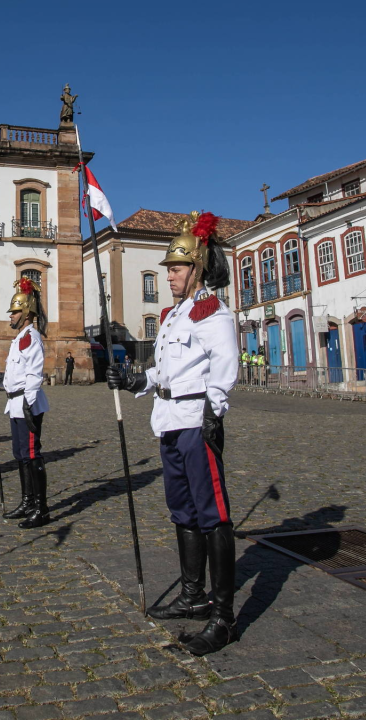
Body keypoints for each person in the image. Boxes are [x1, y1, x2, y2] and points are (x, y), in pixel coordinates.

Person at [108, 211, 239, 656]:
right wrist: (134, 381)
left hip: (195, 421)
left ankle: (223, 616)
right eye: (166, 268)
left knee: (212, 515)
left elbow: (224, 366)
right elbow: (164, 372)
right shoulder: (173, 315)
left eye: (176, 268)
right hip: (168, 421)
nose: (169, 275)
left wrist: (214, 410)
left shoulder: (210, 312)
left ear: (197, 268)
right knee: (182, 512)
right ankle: (192, 594)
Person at [0, 278, 50, 529]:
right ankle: (27, 501)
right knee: (20, 455)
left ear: (26, 313)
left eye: (15, 312)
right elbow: (15, 375)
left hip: (27, 405)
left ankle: (41, 508)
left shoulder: (31, 337)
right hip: (15, 403)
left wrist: (27, 404)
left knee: (31, 454)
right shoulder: (18, 339)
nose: (11, 316)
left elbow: (33, 375)